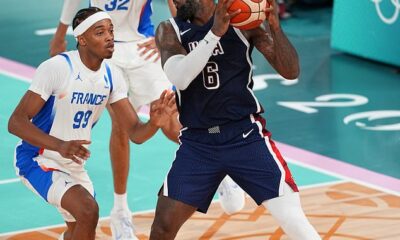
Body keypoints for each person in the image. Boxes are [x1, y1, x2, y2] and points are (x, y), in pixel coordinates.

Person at [50, 1, 246, 238]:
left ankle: (219, 168)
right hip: (106, 48)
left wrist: (175, 35)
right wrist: (60, 34)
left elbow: (177, 2)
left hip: (142, 47)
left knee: (170, 119)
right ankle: (120, 212)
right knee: (121, 126)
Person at [150, 0, 321, 239]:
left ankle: (229, 183)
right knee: (163, 226)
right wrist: (213, 34)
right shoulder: (169, 30)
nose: (176, 1)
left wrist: (276, 30)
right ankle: (226, 184)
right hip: (198, 144)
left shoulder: (243, 23)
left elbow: (291, 71)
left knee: (293, 219)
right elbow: (180, 77)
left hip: (245, 136)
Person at [8, 7, 175, 240]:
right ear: (82, 39)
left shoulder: (111, 76)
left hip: (72, 163)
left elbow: (136, 133)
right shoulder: (57, 68)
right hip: (38, 158)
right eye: (100, 32)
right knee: (88, 210)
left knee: (78, 229)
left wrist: (155, 123)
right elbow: (16, 122)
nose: (109, 37)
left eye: (110, 30)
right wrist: (60, 145)